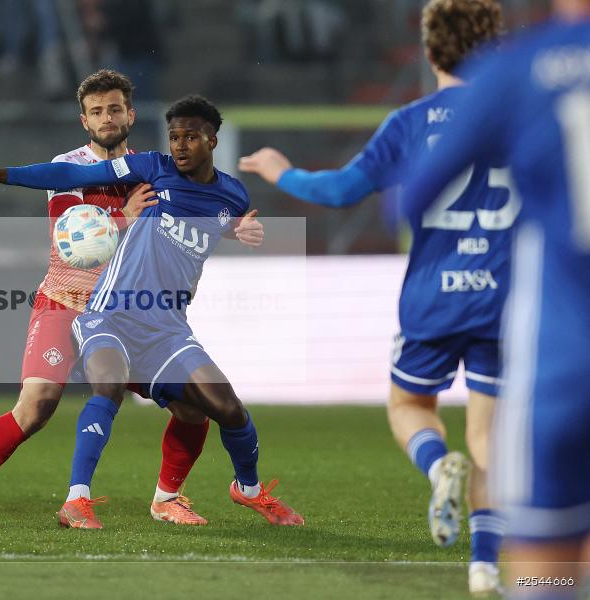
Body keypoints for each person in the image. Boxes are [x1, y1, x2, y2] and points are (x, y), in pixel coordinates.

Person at [238, 1, 508, 594]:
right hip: (504, 300)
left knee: (409, 405)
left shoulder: (411, 123)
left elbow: (340, 191)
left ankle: (438, 467)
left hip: (434, 300)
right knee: (490, 437)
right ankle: (485, 566)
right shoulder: (521, 117)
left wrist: (282, 172)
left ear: (429, 51)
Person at [0, 72, 264, 528]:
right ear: (84, 120)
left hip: (129, 314)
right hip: (67, 302)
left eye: (115, 109)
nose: (107, 118)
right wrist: (124, 216)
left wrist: (235, 228)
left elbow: (198, 214)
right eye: (97, 111)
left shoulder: (153, 169)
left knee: (192, 408)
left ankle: (167, 499)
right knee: (36, 405)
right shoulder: (69, 166)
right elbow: (70, 244)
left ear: (130, 115)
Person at [404, 0, 590, 595]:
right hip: (515, 327)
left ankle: (504, 567)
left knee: (545, 571)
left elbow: (409, 198)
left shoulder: (519, 69)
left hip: (563, 356)